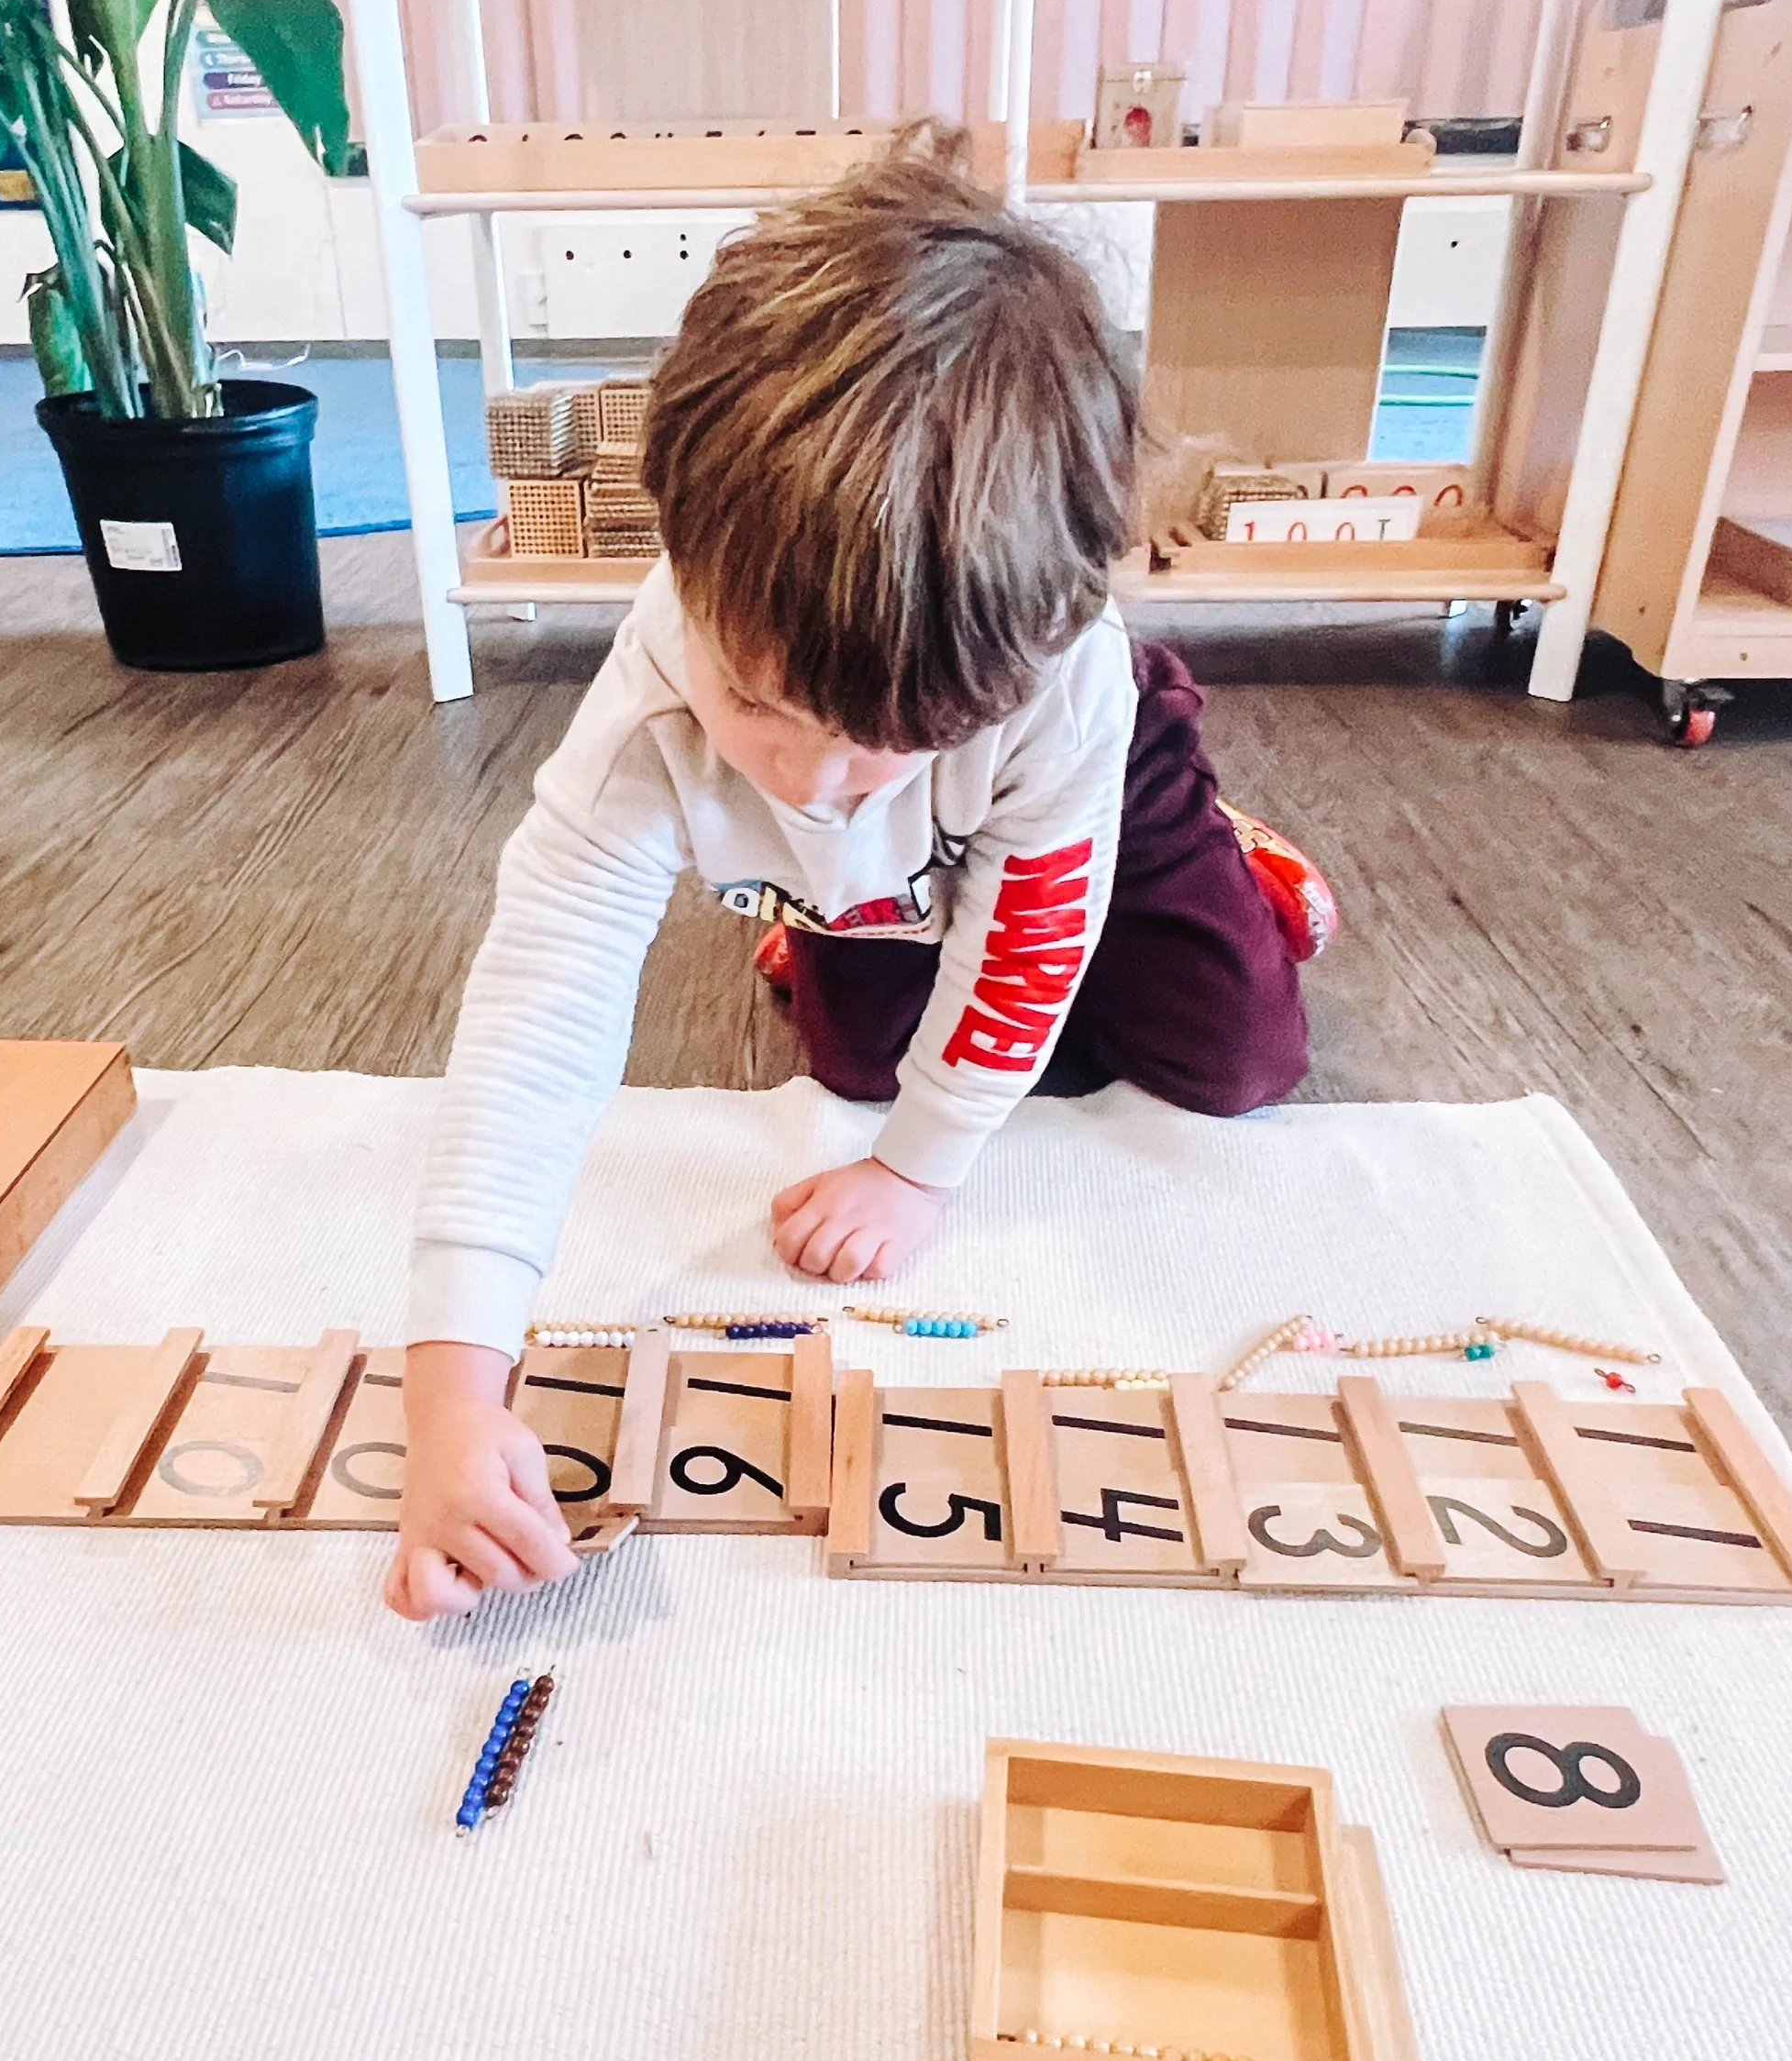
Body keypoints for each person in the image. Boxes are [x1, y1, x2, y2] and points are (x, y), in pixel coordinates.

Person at [388, 134, 1320, 1622]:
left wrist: (921, 1166)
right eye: (756, 705)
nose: (812, 781)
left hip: (1086, 795)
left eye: (878, 747)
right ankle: (839, 910)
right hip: (901, 864)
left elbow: (1028, 937)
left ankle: (1238, 861)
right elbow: (540, 1011)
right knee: (854, 1056)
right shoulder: (649, 707)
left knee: (1238, 1055)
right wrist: (452, 1376)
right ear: (681, 555)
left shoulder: (1054, 681)